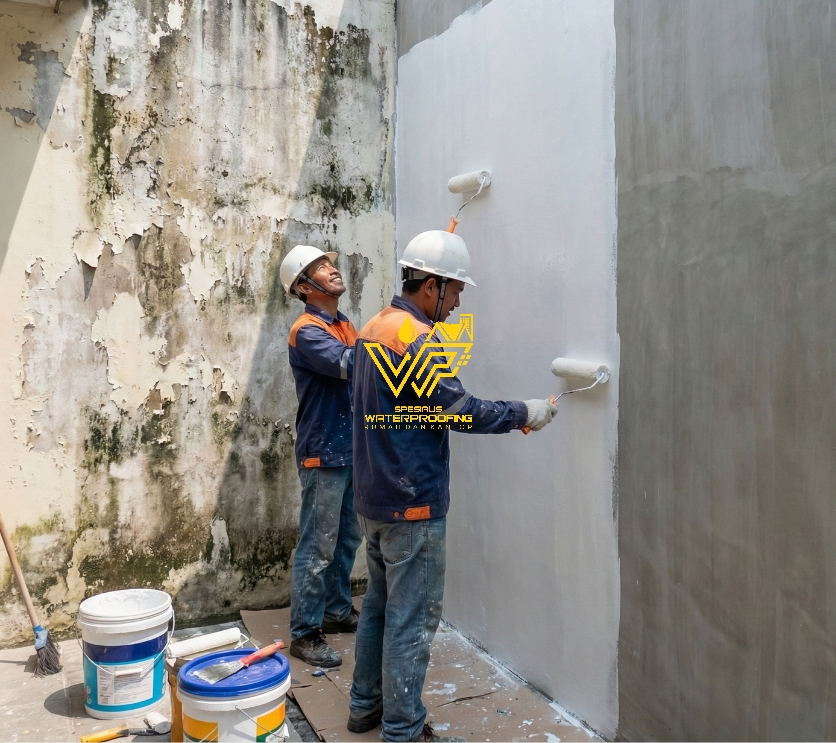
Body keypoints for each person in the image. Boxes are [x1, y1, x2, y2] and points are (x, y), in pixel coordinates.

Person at [347, 230, 559, 741]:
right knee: (410, 619)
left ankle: (364, 707)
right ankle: (403, 729)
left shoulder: (375, 326)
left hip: (374, 497)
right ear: (432, 286)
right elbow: (459, 410)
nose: (458, 303)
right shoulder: (417, 338)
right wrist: (525, 413)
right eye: (456, 290)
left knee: (378, 607)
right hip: (412, 504)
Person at [279, 245, 364, 668]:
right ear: (303, 287)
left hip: (350, 448)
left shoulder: (344, 323)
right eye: (319, 267)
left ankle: (336, 609)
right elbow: (351, 364)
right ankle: (305, 633)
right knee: (318, 545)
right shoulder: (307, 331)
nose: (332, 270)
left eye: (330, 263)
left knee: (348, 538)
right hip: (322, 451)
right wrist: (396, 337)